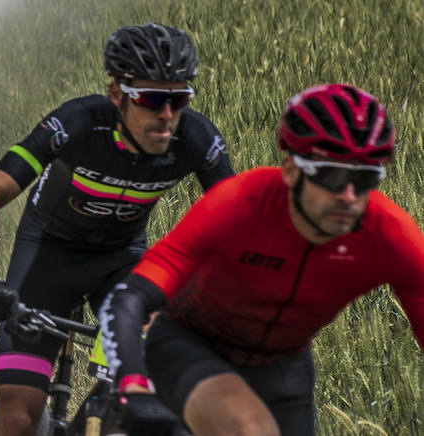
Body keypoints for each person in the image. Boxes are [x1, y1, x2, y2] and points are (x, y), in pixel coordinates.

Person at [101, 82, 424, 436]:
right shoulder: (239, 204)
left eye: (364, 179)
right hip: (192, 343)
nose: (348, 196)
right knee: (250, 430)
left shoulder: (389, 234)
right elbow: (130, 298)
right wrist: (133, 384)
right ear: (289, 169)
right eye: (331, 175)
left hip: (285, 363)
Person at [0, 24, 232, 436]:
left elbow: (237, 226)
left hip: (121, 262)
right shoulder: (77, 123)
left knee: (148, 397)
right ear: (117, 94)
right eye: (152, 98)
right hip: (47, 259)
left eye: (178, 99)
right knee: (18, 415)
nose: (166, 114)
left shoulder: (196, 139)